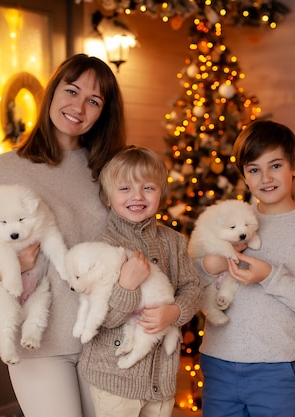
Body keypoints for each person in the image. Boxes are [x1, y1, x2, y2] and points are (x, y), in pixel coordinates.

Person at [0, 54, 127, 417]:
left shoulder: (111, 171)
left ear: (103, 112)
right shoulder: (5, 169)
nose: (79, 106)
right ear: (52, 93)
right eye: (72, 90)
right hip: (41, 341)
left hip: (103, 336)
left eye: (94, 101)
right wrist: (10, 268)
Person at [195, 120, 295, 417]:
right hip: (218, 365)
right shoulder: (231, 219)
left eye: (275, 165)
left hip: (277, 374)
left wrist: (270, 277)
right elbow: (189, 286)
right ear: (244, 176)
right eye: (253, 169)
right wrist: (211, 265)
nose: (265, 178)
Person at [78, 146, 203, 417]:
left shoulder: (173, 242)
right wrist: (127, 286)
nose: (137, 196)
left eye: (148, 187)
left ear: (161, 193)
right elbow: (103, 318)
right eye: (125, 189)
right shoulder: (102, 248)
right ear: (108, 198)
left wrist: (175, 311)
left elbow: (193, 287)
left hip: (162, 379)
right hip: (116, 381)